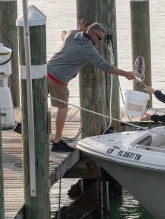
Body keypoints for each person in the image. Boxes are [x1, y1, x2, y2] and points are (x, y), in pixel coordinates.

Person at [46, 19, 135, 152]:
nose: (98, 42)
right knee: (63, 109)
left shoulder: (72, 34)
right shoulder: (88, 49)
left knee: (36, 100)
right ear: (92, 33)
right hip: (58, 79)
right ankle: (57, 142)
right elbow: (106, 66)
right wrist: (125, 74)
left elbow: (63, 34)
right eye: (99, 38)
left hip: (46, 71)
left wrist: (79, 30)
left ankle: (22, 124)